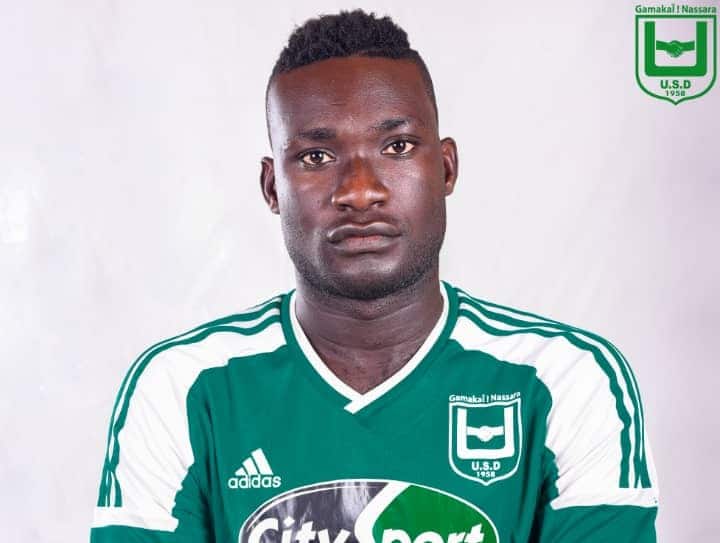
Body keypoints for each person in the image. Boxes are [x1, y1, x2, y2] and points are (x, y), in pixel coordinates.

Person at [90, 8, 659, 543]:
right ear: (271, 187)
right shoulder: (185, 389)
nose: (360, 191)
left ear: (446, 168)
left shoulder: (563, 381)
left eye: (398, 146)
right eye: (316, 157)